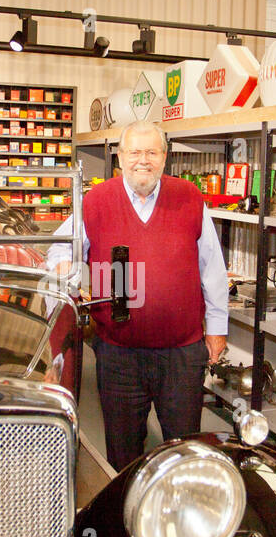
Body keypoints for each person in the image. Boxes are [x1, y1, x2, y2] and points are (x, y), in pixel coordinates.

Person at [47, 120, 228, 470]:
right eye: (134, 152)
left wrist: (217, 327)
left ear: (164, 157)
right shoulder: (97, 200)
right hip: (119, 354)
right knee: (123, 451)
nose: (142, 160)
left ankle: (177, 516)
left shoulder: (189, 198)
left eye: (151, 152)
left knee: (183, 450)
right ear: (120, 156)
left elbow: (212, 267)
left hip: (181, 354)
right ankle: (128, 518)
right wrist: (61, 267)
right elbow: (59, 247)